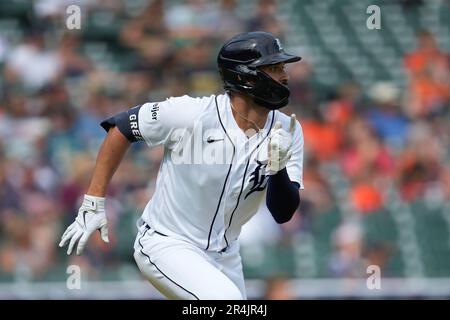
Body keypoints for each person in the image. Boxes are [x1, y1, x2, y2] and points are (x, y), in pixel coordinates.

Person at [59, 31, 305, 300]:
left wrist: (278, 167)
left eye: (282, 67)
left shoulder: (287, 130)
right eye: (274, 68)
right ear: (245, 76)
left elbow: (283, 212)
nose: (284, 75)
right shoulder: (191, 114)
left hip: (225, 254)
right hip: (168, 243)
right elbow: (121, 127)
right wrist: (94, 199)